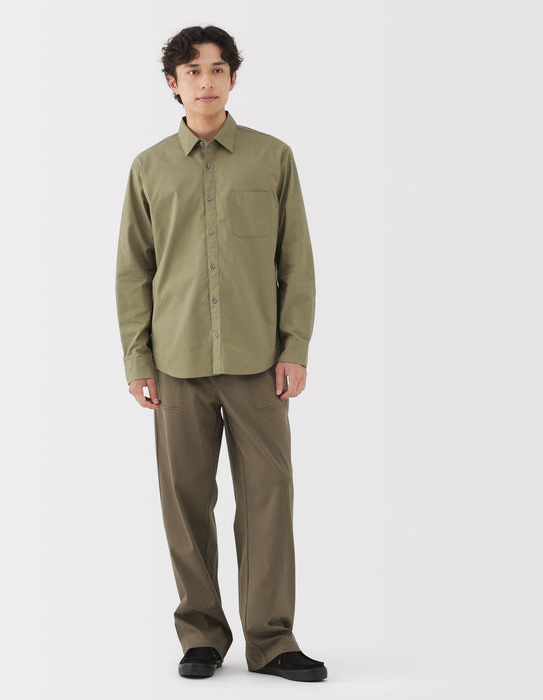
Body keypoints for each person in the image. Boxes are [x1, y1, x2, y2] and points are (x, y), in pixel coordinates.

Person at [115, 24, 326, 683]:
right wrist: (138, 360)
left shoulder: (272, 158)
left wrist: (294, 348)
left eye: (216, 69)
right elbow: (133, 271)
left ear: (233, 78)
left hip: (258, 360)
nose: (205, 81)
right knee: (185, 503)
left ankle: (272, 640)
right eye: (191, 71)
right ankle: (201, 635)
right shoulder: (149, 168)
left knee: (269, 498)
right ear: (172, 84)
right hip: (176, 363)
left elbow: (296, 262)